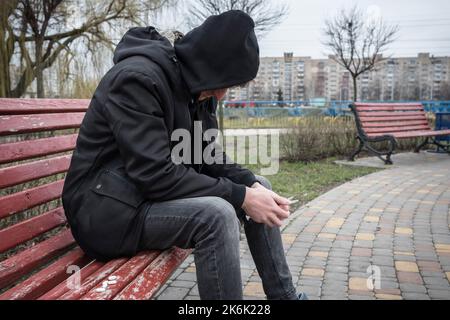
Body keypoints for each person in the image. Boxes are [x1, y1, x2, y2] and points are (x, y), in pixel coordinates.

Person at [62, 10, 307, 300]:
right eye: (223, 84)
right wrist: (241, 197)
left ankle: (286, 297)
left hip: (143, 199)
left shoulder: (197, 88)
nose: (221, 96)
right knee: (217, 216)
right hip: (104, 214)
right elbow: (155, 174)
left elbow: (206, 155)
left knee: (260, 186)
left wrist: (248, 184)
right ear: (207, 66)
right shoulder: (137, 80)